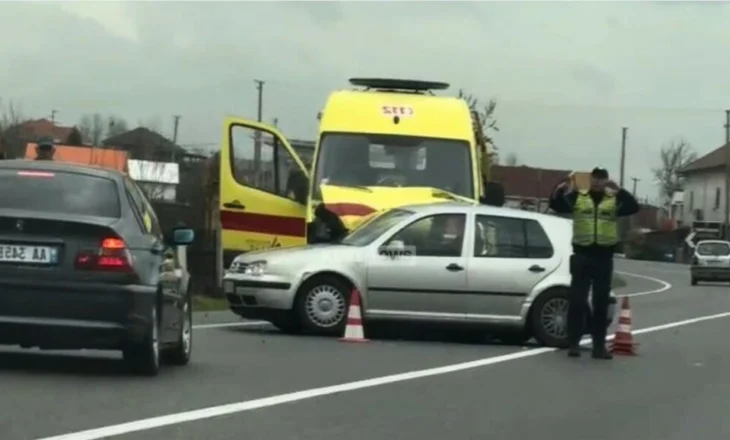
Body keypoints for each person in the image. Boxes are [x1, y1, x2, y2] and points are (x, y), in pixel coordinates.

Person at [549, 167, 639, 360]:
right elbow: (557, 205)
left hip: (603, 257)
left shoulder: (612, 199)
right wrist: (561, 187)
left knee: (600, 303)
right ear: (590, 181)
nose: (598, 184)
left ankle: (599, 346)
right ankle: (574, 343)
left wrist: (619, 190)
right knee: (577, 301)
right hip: (582, 255)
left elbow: (633, 207)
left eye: (602, 181)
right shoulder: (578, 197)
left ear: (606, 181)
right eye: (595, 180)